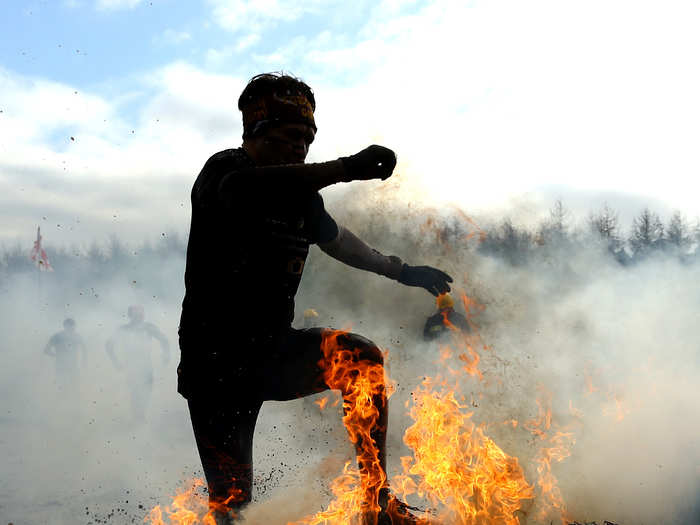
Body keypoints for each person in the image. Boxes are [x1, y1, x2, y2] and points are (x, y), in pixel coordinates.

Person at [177, 72, 453, 524]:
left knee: (362, 359)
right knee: (230, 503)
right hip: (217, 367)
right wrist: (345, 168)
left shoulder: (303, 198)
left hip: (273, 350)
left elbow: (341, 242)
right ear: (256, 133)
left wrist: (403, 271)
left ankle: (375, 502)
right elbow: (243, 190)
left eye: (308, 138)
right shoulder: (225, 171)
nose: (301, 148)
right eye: (290, 137)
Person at [106, 305, 170, 422]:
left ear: (143, 315)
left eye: (140, 315)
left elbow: (164, 340)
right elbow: (109, 345)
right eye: (136, 315)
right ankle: (138, 416)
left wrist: (166, 355)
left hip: (146, 364)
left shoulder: (148, 327)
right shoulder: (124, 329)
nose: (139, 317)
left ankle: (140, 413)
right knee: (135, 390)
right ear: (130, 316)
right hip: (131, 365)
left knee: (147, 390)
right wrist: (116, 362)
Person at [44, 318, 86, 391]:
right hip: (61, 366)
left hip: (73, 366)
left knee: (75, 388)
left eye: (73, 326)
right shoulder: (57, 336)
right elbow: (46, 350)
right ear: (65, 326)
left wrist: (84, 362)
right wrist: (57, 356)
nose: (72, 328)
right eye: (69, 326)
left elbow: (84, 350)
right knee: (62, 387)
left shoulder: (77, 336)